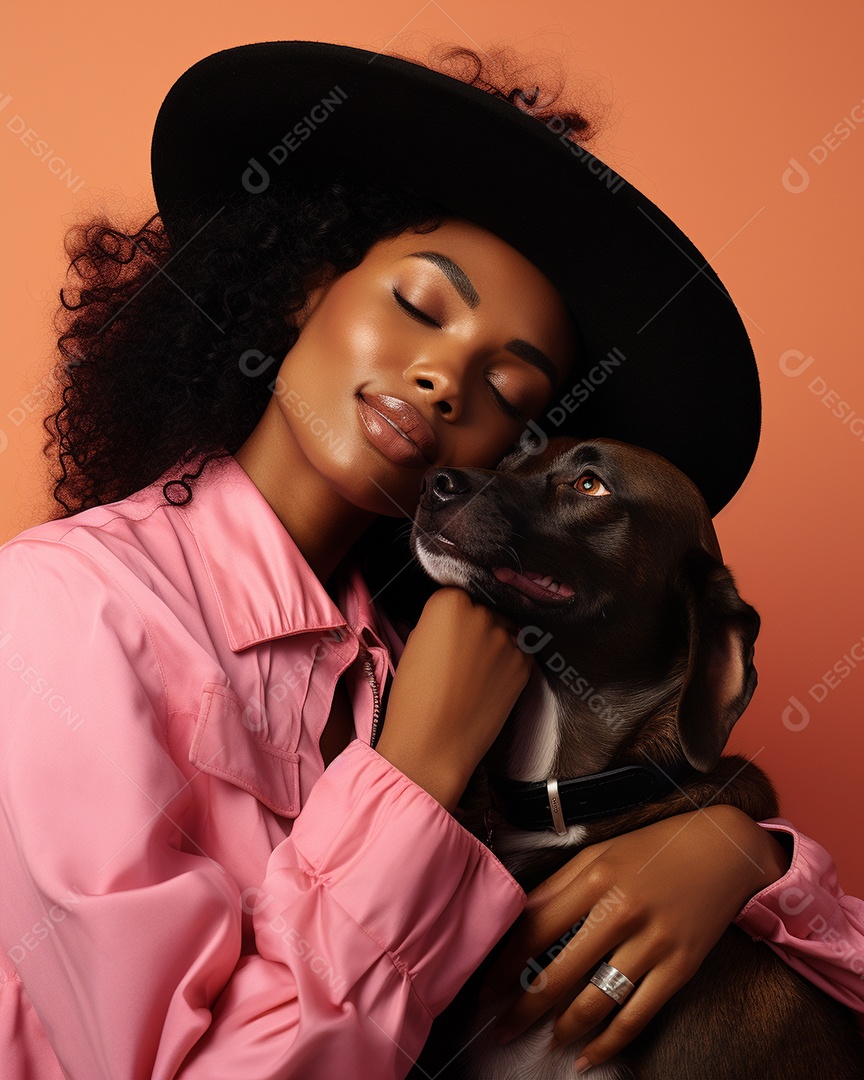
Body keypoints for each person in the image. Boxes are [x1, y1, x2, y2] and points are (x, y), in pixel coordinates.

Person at [0, 39, 861, 1080]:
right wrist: (416, 774)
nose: (447, 379)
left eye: (510, 389)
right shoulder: (63, 611)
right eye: (421, 306)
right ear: (303, 287)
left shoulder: (434, 653)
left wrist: (740, 860)